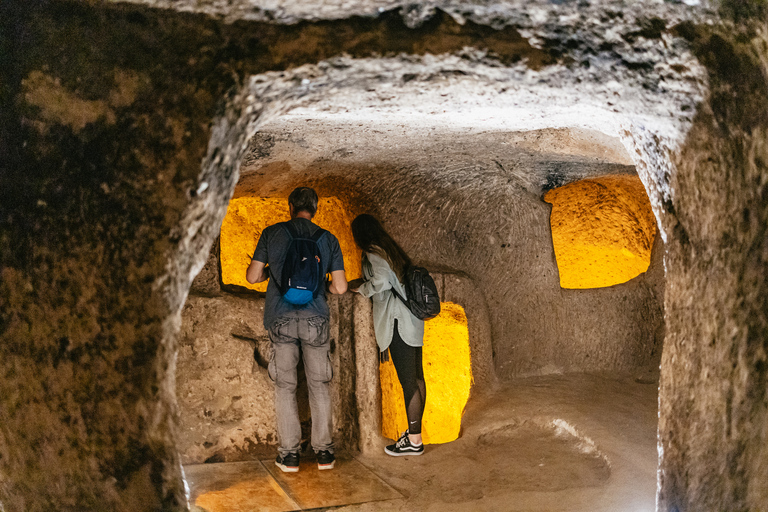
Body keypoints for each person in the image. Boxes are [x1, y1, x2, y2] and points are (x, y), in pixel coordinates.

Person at [246, 187, 347, 473]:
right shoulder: (328, 239)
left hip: (281, 318)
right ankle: (325, 453)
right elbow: (339, 287)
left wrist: (270, 273)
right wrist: (322, 287)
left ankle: (289, 455)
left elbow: (253, 276)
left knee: (286, 386)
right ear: (316, 208)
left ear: (290, 206)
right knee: (319, 385)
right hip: (316, 318)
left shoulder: (272, 233)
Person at [349, 214, 426, 456]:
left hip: (397, 322)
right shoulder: (391, 250)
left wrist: (362, 288)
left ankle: (414, 441)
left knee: (407, 382)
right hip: (412, 320)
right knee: (418, 378)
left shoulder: (373, 252)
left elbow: (380, 280)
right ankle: (415, 435)